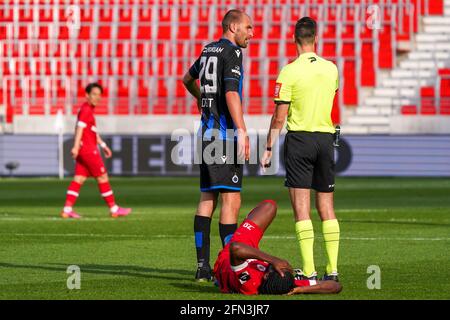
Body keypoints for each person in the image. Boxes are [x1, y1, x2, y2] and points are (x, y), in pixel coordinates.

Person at [260, 17, 340, 281]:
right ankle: (333, 270)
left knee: (301, 209)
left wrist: (269, 145)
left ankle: (309, 270)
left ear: (294, 40)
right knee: (326, 207)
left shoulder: (289, 71)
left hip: (300, 141)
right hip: (326, 140)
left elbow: (280, 116)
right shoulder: (332, 69)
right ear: (316, 39)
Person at [182, 9, 253, 281]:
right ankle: (230, 268)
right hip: (224, 136)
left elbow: (187, 79)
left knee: (207, 199)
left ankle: (202, 268)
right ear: (233, 27)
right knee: (231, 200)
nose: (252, 33)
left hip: (205, 134)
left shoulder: (208, 50)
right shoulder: (232, 53)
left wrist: (201, 98)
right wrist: (243, 131)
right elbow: (232, 92)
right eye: (248, 27)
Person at [213, 200, 342, 295]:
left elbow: (236, 248)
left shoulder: (248, 282)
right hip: (247, 253)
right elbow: (335, 286)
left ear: (266, 276)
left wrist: (273, 260)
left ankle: (230, 241)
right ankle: (239, 234)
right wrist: (301, 289)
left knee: (266, 207)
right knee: (270, 206)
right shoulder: (284, 284)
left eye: (271, 269)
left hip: (231, 258)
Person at [60, 83, 131, 219]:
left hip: (84, 150)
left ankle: (67, 209)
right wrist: (75, 146)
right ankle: (114, 208)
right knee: (103, 177)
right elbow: (79, 128)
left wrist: (103, 145)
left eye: (99, 95)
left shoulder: (88, 110)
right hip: (88, 151)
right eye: (94, 94)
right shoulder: (86, 110)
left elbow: (92, 131)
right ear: (87, 95)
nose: (97, 97)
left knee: (79, 179)